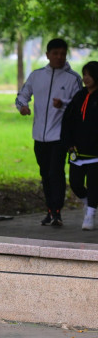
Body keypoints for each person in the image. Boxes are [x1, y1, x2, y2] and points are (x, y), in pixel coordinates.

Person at [16, 38, 82, 227]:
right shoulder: (36, 76)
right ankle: (50, 210)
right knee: (45, 173)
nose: (59, 57)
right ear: (47, 55)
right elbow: (22, 96)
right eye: (55, 53)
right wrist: (23, 107)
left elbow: (80, 104)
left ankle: (57, 211)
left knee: (55, 172)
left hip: (60, 136)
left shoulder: (73, 78)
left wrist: (64, 104)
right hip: (39, 135)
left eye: (62, 54)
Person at [61, 61, 98, 230]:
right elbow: (67, 120)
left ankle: (90, 215)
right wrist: (68, 143)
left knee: (94, 184)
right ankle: (89, 203)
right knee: (75, 183)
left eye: (89, 75)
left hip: (95, 152)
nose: (85, 78)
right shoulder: (79, 96)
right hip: (77, 151)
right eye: (84, 75)